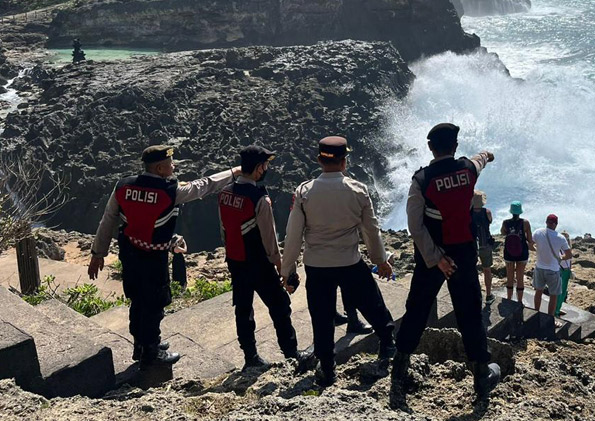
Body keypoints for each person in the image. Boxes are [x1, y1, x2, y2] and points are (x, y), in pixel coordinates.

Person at [88, 145, 240, 366]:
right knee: (154, 301)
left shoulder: (122, 186)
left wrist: (97, 253)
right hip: (153, 257)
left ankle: (140, 345)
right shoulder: (171, 191)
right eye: (170, 163)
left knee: (137, 298)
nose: (174, 166)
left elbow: (108, 219)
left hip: (129, 253)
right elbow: (204, 186)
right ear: (160, 168)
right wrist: (233, 173)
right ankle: (152, 352)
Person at [392, 123, 501, 403]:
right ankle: (480, 377)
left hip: (432, 257)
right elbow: (478, 162)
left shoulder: (422, 179)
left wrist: (436, 258)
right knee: (470, 314)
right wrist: (487, 154)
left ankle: (399, 373)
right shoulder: (466, 170)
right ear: (455, 147)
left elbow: (415, 227)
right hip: (463, 254)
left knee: (416, 310)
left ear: (431, 147)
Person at [282, 136, 396, 386]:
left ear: (319, 160)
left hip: (317, 265)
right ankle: (388, 344)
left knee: (322, 318)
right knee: (372, 303)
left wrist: (287, 269)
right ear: (345, 162)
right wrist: (381, 260)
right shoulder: (358, 190)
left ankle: (327, 369)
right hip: (349, 261)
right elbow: (371, 230)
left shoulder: (304, 191)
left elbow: (293, 235)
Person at [218, 145, 314, 371]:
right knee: (280, 306)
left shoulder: (224, 193)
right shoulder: (260, 199)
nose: (267, 168)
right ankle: (291, 353)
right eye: (266, 164)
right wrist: (283, 268)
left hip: (235, 260)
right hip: (258, 263)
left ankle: (250, 357)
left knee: (243, 309)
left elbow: (224, 228)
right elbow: (269, 240)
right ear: (259, 168)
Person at [531, 214, 572, 316]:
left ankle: (536, 313)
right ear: (556, 224)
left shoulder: (537, 232)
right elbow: (569, 254)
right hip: (553, 270)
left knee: (538, 291)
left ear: (546, 222)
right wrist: (559, 258)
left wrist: (538, 250)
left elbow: (530, 244)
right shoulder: (560, 238)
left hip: (539, 267)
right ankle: (550, 317)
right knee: (553, 295)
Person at [500, 201, 534, 303]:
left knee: (510, 277)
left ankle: (509, 300)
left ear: (511, 211)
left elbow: (502, 233)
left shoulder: (505, 222)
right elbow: (530, 240)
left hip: (509, 253)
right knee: (520, 278)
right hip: (522, 252)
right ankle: (519, 301)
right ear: (520, 212)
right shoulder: (526, 223)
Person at [471, 190, 495, 304]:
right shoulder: (487, 212)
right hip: (485, 244)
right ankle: (489, 295)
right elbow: (490, 222)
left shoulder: (468, 213)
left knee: (471, 270)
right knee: (487, 270)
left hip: (471, 246)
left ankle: (472, 295)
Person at [555, 229, 573, 316]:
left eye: (567, 238)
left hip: (566, 272)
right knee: (559, 293)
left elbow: (570, 261)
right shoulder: (558, 249)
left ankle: (558, 308)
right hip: (561, 271)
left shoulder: (568, 249)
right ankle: (555, 311)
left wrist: (571, 271)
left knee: (563, 293)